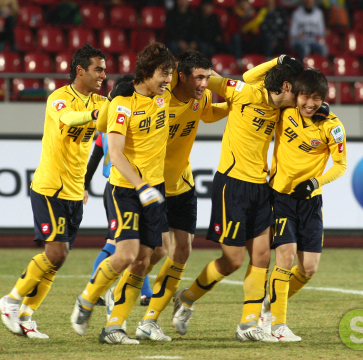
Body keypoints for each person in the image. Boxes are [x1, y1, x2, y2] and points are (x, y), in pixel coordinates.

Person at [171, 55, 304, 342]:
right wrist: (276, 60)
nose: (302, 96)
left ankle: (247, 325)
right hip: (232, 185)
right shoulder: (244, 92)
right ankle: (186, 298)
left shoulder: (283, 111)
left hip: (260, 187)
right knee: (232, 260)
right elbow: (217, 79)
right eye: (298, 89)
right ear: (285, 85)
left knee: (262, 256)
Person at [0, 44, 107, 339]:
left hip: (74, 191)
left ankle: (26, 316)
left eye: (105, 69)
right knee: (55, 252)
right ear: (81, 70)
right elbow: (69, 120)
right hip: (49, 188)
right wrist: (99, 111)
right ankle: (11, 301)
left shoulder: (101, 100)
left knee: (60, 257)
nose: (103, 75)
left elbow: (102, 143)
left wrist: (85, 183)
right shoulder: (59, 98)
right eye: (98, 69)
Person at [70, 42, 176, 345]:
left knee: (152, 255)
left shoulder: (164, 96)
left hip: (154, 188)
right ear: (145, 72)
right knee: (127, 254)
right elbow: (114, 154)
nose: (168, 79)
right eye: (163, 73)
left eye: (169, 74)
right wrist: (141, 186)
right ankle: (87, 299)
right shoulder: (121, 104)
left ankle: (114, 325)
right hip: (126, 190)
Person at [133, 50, 229, 342]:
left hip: (182, 184)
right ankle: (125, 287)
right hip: (153, 185)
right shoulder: (158, 98)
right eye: (199, 77)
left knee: (183, 250)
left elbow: (217, 111)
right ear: (181, 76)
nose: (205, 83)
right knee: (152, 252)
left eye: (208, 77)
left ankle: (150, 319)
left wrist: (241, 104)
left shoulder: (201, 98)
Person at [257, 69, 347, 342]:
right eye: (305, 97)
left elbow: (341, 166)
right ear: (296, 95)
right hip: (280, 196)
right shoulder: (285, 112)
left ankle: (268, 307)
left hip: (309, 200)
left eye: (316, 99)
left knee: (308, 267)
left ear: (324, 99)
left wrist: (315, 182)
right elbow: (262, 90)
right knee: (285, 256)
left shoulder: (332, 126)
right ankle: (278, 326)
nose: (310, 104)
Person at [83, 75, 154, 309]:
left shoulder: (113, 115)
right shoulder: (120, 117)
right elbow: (96, 157)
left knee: (133, 244)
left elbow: (95, 155)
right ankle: (97, 290)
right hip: (120, 187)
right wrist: (83, 185)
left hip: (124, 186)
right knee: (118, 244)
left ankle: (136, 291)